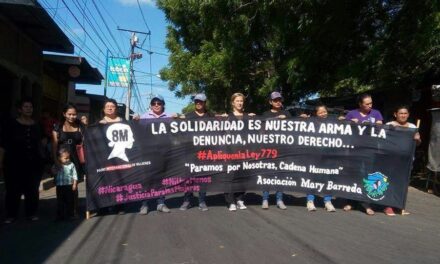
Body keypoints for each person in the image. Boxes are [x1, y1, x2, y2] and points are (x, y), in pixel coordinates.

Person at [2, 98, 45, 223]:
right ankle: (11, 215)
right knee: (13, 189)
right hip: (13, 163)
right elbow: (3, 145)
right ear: (20, 109)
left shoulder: (37, 125)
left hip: (34, 164)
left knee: (32, 189)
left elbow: (41, 142)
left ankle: (31, 213)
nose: (28, 109)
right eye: (26, 107)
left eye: (30, 107)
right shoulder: (11, 124)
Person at [344, 94, 383, 215]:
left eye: (371, 103)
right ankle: (350, 200)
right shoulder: (351, 114)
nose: (370, 106)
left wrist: (378, 124)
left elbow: (381, 127)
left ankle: (366, 203)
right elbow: (342, 128)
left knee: (368, 175)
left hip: (369, 150)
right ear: (360, 104)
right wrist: (350, 122)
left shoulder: (376, 113)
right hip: (354, 149)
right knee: (353, 174)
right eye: (367, 104)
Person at [138, 95, 175, 215]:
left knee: (161, 179)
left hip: (164, 153)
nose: (156, 105)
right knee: (146, 179)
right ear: (151, 105)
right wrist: (135, 122)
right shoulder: (144, 117)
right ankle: (144, 204)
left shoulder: (169, 117)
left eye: (159, 103)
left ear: (163, 104)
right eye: (154, 103)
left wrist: (179, 119)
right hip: (148, 153)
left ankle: (161, 203)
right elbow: (136, 131)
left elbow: (179, 130)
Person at [384, 105, 421, 216]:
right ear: (395, 114)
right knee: (389, 182)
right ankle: (387, 206)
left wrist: (417, 139)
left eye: (405, 113)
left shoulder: (413, 127)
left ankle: (399, 205)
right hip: (391, 159)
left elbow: (418, 144)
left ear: (408, 114)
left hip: (406, 161)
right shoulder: (389, 125)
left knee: (402, 183)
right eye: (401, 113)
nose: (403, 115)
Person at [179, 93, 211, 211]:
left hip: (205, 154)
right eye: (197, 101)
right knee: (188, 178)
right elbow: (180, 133)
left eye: (201, 101)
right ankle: (187, 200)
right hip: (190, 153)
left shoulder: (210, 116)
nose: (198, 103)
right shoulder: (188, 116)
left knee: (203, 178)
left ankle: (202, 201)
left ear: (205, 103)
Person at [223, 92, 255, 211]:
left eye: (241, 101)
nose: (240, 103)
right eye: (237, 101)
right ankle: (230, 201)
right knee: (231, 176)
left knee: (243, 176)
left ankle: (240, 198)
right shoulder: (228, 117)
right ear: (233, 103)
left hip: (245, 152)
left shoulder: (248, 117)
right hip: (231, 152)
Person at [261, 91, 290, 210]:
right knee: (267, 175)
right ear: (270, 102)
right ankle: (265, 199)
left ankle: (279, 199)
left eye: (279, 100)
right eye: (275, 100)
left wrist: (289, 119)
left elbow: (296, 129)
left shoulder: (287, 113)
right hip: (269, 150)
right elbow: (261, 131)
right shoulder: (265, 114)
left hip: (283, 150)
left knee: (281, 176)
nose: (278, 102)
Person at [305, 105, 336, 212]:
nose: (323, 114)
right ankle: (310, 201)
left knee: (327, 178)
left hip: (328, 156)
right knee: (312, 177)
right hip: (313, 156)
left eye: (325, 111)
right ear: (315, 114)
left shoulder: (333, 123)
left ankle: (327, 201)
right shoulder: (310, 124)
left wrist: (343, 121)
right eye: (320, 112)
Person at [54, 148, 78, 221]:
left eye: (68, 158)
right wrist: (54, 170)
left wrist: (74, 184)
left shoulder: (71, 164)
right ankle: (60, 215)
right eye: (65, 158)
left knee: (69, 200)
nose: (68, 159)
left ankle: (70, 214)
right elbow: (53, 173)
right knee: (60, 201)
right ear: (59, 158)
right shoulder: (57, 165)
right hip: (60, 186)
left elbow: (75, 175)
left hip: (68, 185)